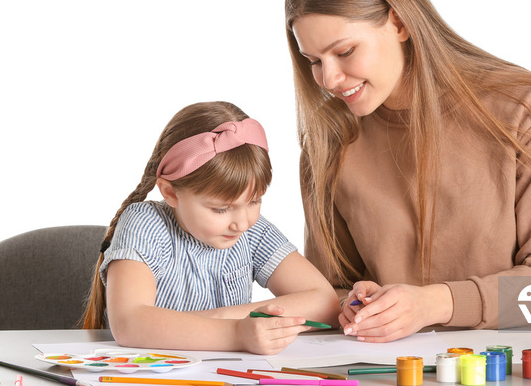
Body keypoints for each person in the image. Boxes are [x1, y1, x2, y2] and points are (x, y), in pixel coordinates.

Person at [285, 0, 531, 343]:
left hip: (507, 369)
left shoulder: (522, 107)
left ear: (400, 22)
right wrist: (354, 303)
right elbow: (328, 289)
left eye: (345, 51)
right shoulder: (329, 140)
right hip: (383, 372)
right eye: (314, 62)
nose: (330, 79)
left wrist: (435, 304)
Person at [82, 101, 340, 354]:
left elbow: (325, 302)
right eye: (220, 209)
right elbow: (130, 323)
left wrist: (224, 318)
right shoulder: (144, 223)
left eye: (254, 201)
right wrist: (236, 332)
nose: (242, 222)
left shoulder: (252, 230)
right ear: (171, 193)